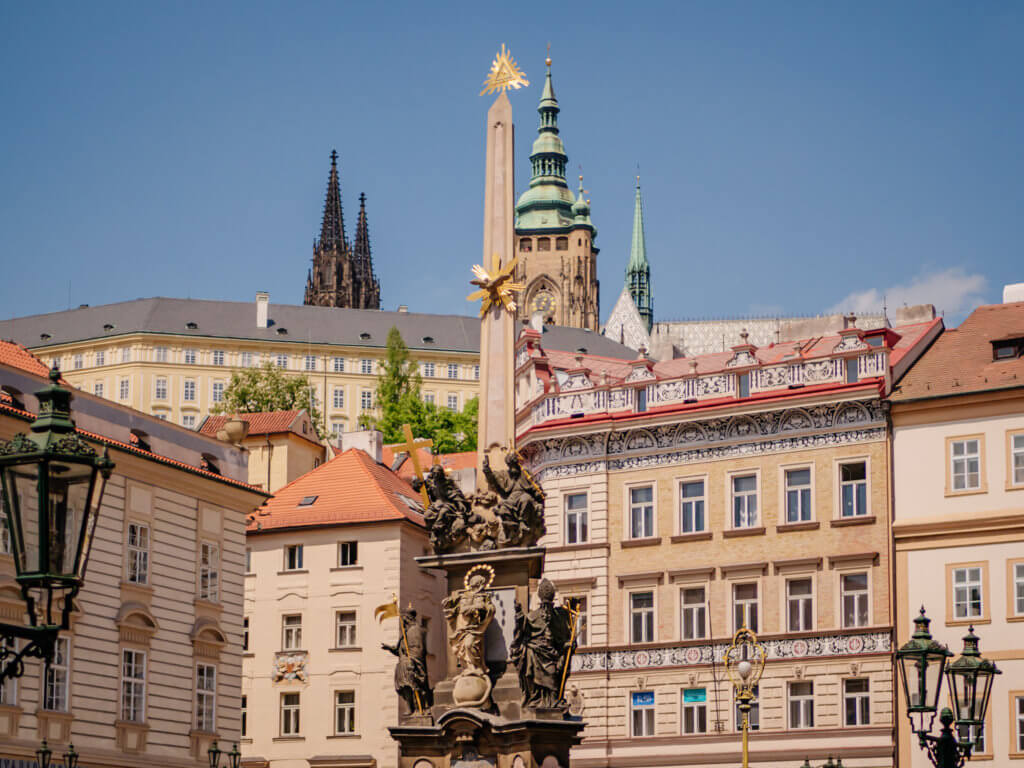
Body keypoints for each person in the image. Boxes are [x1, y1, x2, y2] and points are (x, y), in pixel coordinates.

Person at [381, 607, 432, 716]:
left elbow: (418, 649)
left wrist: (411, 661)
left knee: (414, 685)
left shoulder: (415, 630)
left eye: (403, 620)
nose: (402, 623)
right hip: (403, 663)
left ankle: (420, 708)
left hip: (411, 663)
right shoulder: (406, 633)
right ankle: (410, 708)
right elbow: (400, 650)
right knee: (404, 687)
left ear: (407, 619)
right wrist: (390, 648)